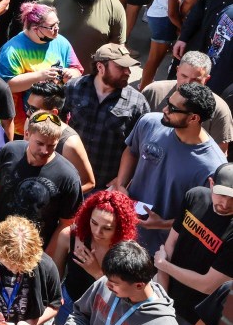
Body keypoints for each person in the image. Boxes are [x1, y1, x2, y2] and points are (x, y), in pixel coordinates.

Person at [114, 82, 227, 254]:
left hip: (159, 250)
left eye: (173, 108)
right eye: (168, 102)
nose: (165, 109)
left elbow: (203, 218)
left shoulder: (213, 166)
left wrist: (163, 224)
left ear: (194, 118)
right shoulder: (149, 123)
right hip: (121, 229)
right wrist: (121, 185)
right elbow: (131, 151)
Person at [0, 110, 82, 256]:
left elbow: (66, 223)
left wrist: (46, 257)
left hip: (33, 252)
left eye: (52, 145)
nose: (45, 150)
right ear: (27, 134)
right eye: (40, 143)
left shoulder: (68, 176)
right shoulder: (9, 151)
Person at [153, 163, 233, 325]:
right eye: (221, 194)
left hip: (193, 318)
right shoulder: (194, 196)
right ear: (211, 184)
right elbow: (169, 248)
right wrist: (162, 301)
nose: (225, 203)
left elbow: (208, 285)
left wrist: (164, 266)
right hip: (162, 295)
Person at [63, 43, 150, 192]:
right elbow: (56, 122)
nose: (128, 72)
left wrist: (123, 180)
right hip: (69, 176)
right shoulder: (73, 88)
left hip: (107, 184)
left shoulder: (137, 103)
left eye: (128, 67)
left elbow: (141, 147)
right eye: (121, 67)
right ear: (100, 67)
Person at [50, 190, 139, 325]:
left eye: (107, 228)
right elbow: (54, 277)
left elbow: (127, 298)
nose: (97, 232)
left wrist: (98, 273)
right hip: (69, 305)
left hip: (103, 312)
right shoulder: (70, 236)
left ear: (120, 228)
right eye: (94, 223)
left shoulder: (127, 252)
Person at [57, 241, 181, 325]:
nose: (106, 285)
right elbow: (81, 315)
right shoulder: (105, 284)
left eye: (114, 283)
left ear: (139, 285)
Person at [0, 2, 83, 136]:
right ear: (35, 28)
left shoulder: (61, 42)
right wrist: (40, 76)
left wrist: (70, 74)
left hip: (56, 121)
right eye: (51, 26)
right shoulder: (12, 50)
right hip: (22, 126)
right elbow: (6, 85)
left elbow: (77, 69)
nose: (57, 29)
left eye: (57, 24)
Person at [141, 50, 233, 153]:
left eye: (196, 80)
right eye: (184, 76)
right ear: (177, 70)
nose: (188, 83)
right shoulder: (154, 92)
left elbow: (220, 153)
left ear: (206, 79)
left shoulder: (219, 109)